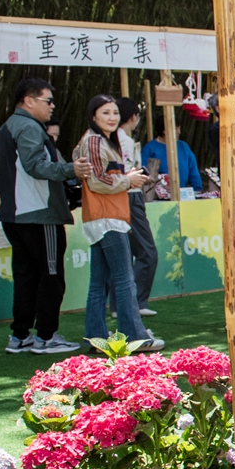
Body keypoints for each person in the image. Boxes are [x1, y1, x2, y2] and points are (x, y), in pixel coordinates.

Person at [0, 78, 88, 356]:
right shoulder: (28, 126)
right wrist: (72, 169)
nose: (52, 106)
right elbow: (35, 166)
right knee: (50, 275)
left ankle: (20, 336)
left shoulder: (9, 125)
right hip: (38, 214)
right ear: (29, 101)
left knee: (26, 276)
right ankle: (46, 336)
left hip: (15, 215)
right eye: (48, 100)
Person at [77, 95, 160, 351]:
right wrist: (129, 180)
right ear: (93, 116)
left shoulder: (101, 140)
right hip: (107, 218)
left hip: (107, 217)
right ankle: (135, 337)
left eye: (114, 112)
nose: (112, 117)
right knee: (124, 280)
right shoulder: (93, 140)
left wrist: (127, 178)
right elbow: (97, 181)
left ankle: (96, 339)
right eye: (106, 112)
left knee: (100, 282)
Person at [114, 97, 158, 317]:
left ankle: (120, 304)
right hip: (129, 197)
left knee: (126, 252)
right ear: (133, 117)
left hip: (121, 196)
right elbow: (126, 172)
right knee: (147, 252)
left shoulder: (114, 138)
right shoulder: (123, 140)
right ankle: (137, 301)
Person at [141, 128, 202, 197]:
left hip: (183, 193)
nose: (179, 132)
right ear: (164, 130)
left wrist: (197, 189)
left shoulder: (183, 146)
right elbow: (143, 171)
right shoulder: (149, 148)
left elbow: (193, 170)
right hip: (156, 195)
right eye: (176, 129)